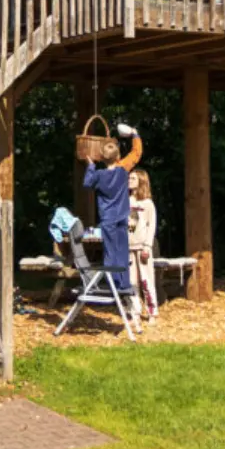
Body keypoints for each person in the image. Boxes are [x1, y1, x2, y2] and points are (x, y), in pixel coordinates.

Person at [83, 123, 142, 292]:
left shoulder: (99, 175)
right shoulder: (123, 169)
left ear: (101, 157)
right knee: (123, 250)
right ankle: (124, 284)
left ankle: (113, 284)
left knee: (110, 252)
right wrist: (135, 135)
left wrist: (91, 166)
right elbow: (136, 154)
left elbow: (87, 184)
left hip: (107, 219)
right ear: (117, 156)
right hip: (122, 218)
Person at [127, 169, 158, 322]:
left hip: (143, 247)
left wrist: (147, 246)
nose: (129, 180)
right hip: (128, 248)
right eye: (129, 178)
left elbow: (151, 225)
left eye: (133, 178)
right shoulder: (126, 201)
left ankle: (152, 312)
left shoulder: (148, 204)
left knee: (146, 280)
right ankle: (135, 312)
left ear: (141, 181)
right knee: (132, 282)